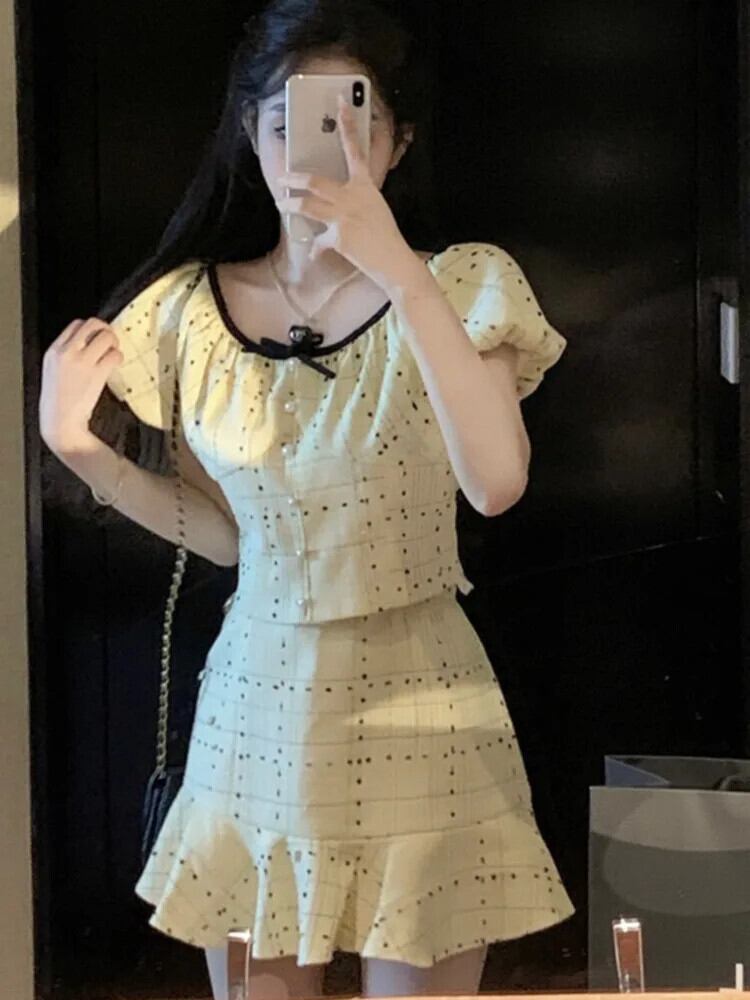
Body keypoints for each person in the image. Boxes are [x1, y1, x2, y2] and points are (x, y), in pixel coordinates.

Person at [38, 1, 574, 997]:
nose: (317, 146)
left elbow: (497, 484)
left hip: (425, 703)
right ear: (250, 134)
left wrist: (397, 271)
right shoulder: (189, 314)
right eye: (287, 121)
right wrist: (81, 450)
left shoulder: (464, 284)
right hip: (257, 710)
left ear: (397, 142)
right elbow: (228, 540)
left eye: (352, 117)